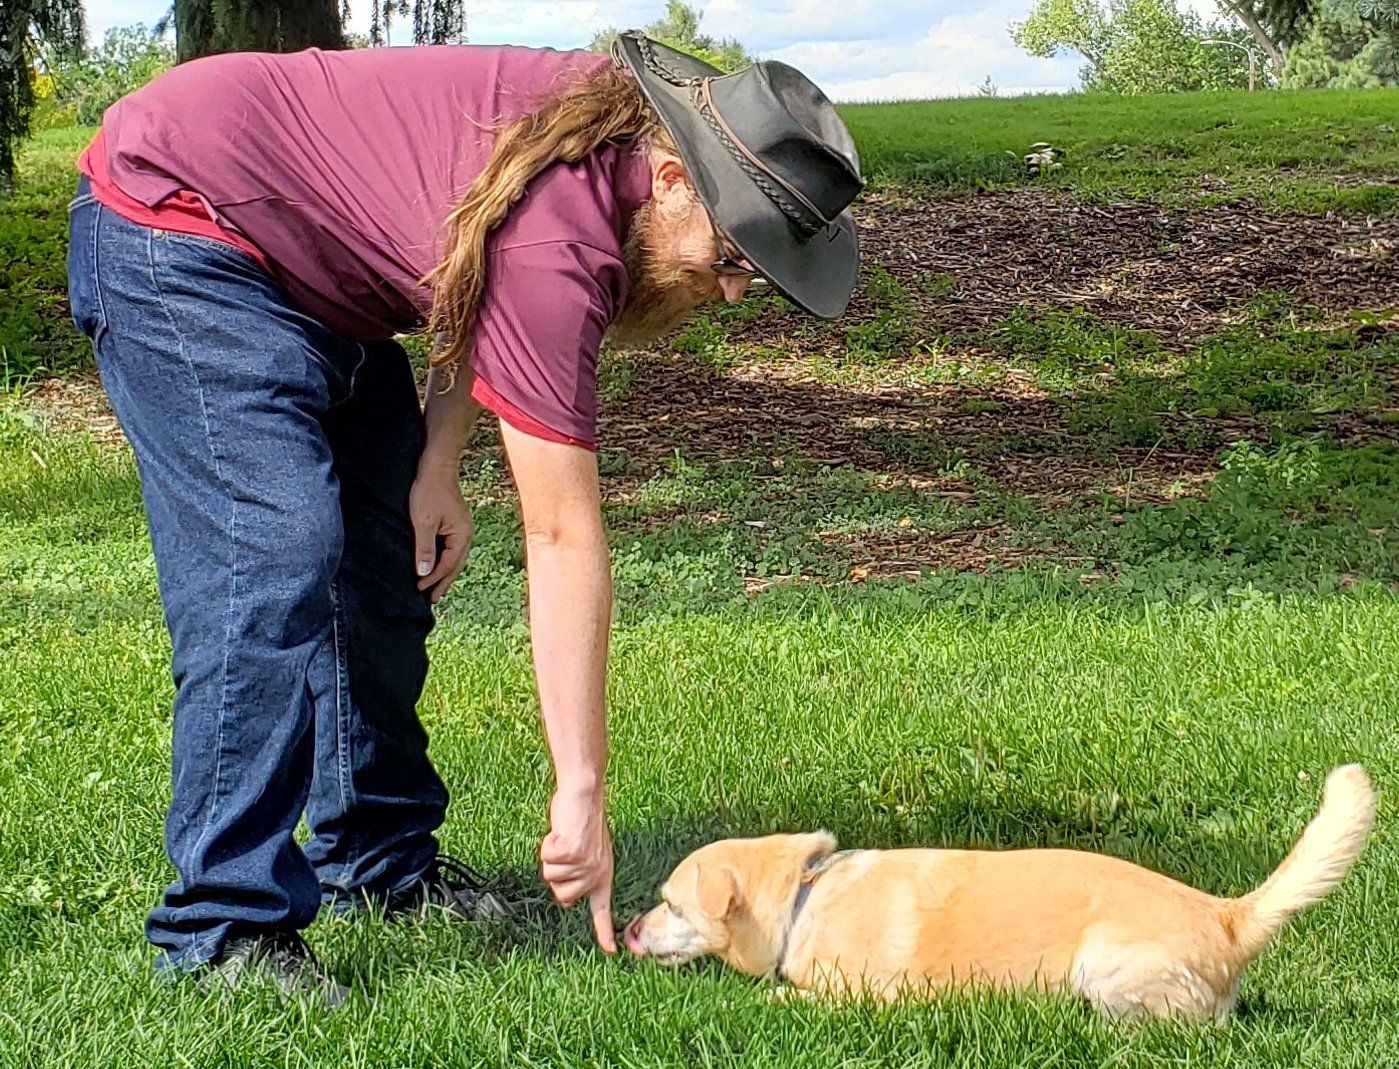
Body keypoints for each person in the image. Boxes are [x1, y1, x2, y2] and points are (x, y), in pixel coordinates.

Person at [65, 31, 863, 999]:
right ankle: (218, 926)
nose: (732, 290)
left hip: (311, 274)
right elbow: (561, 534)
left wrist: (436, 462)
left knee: (381, 564)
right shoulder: (562, 237)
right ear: (669, 178)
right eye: (733, 254)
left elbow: (464, 257)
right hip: (178, 218)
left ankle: (378, 862)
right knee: (270, 553)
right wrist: (582, 796)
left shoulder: (596, 149)